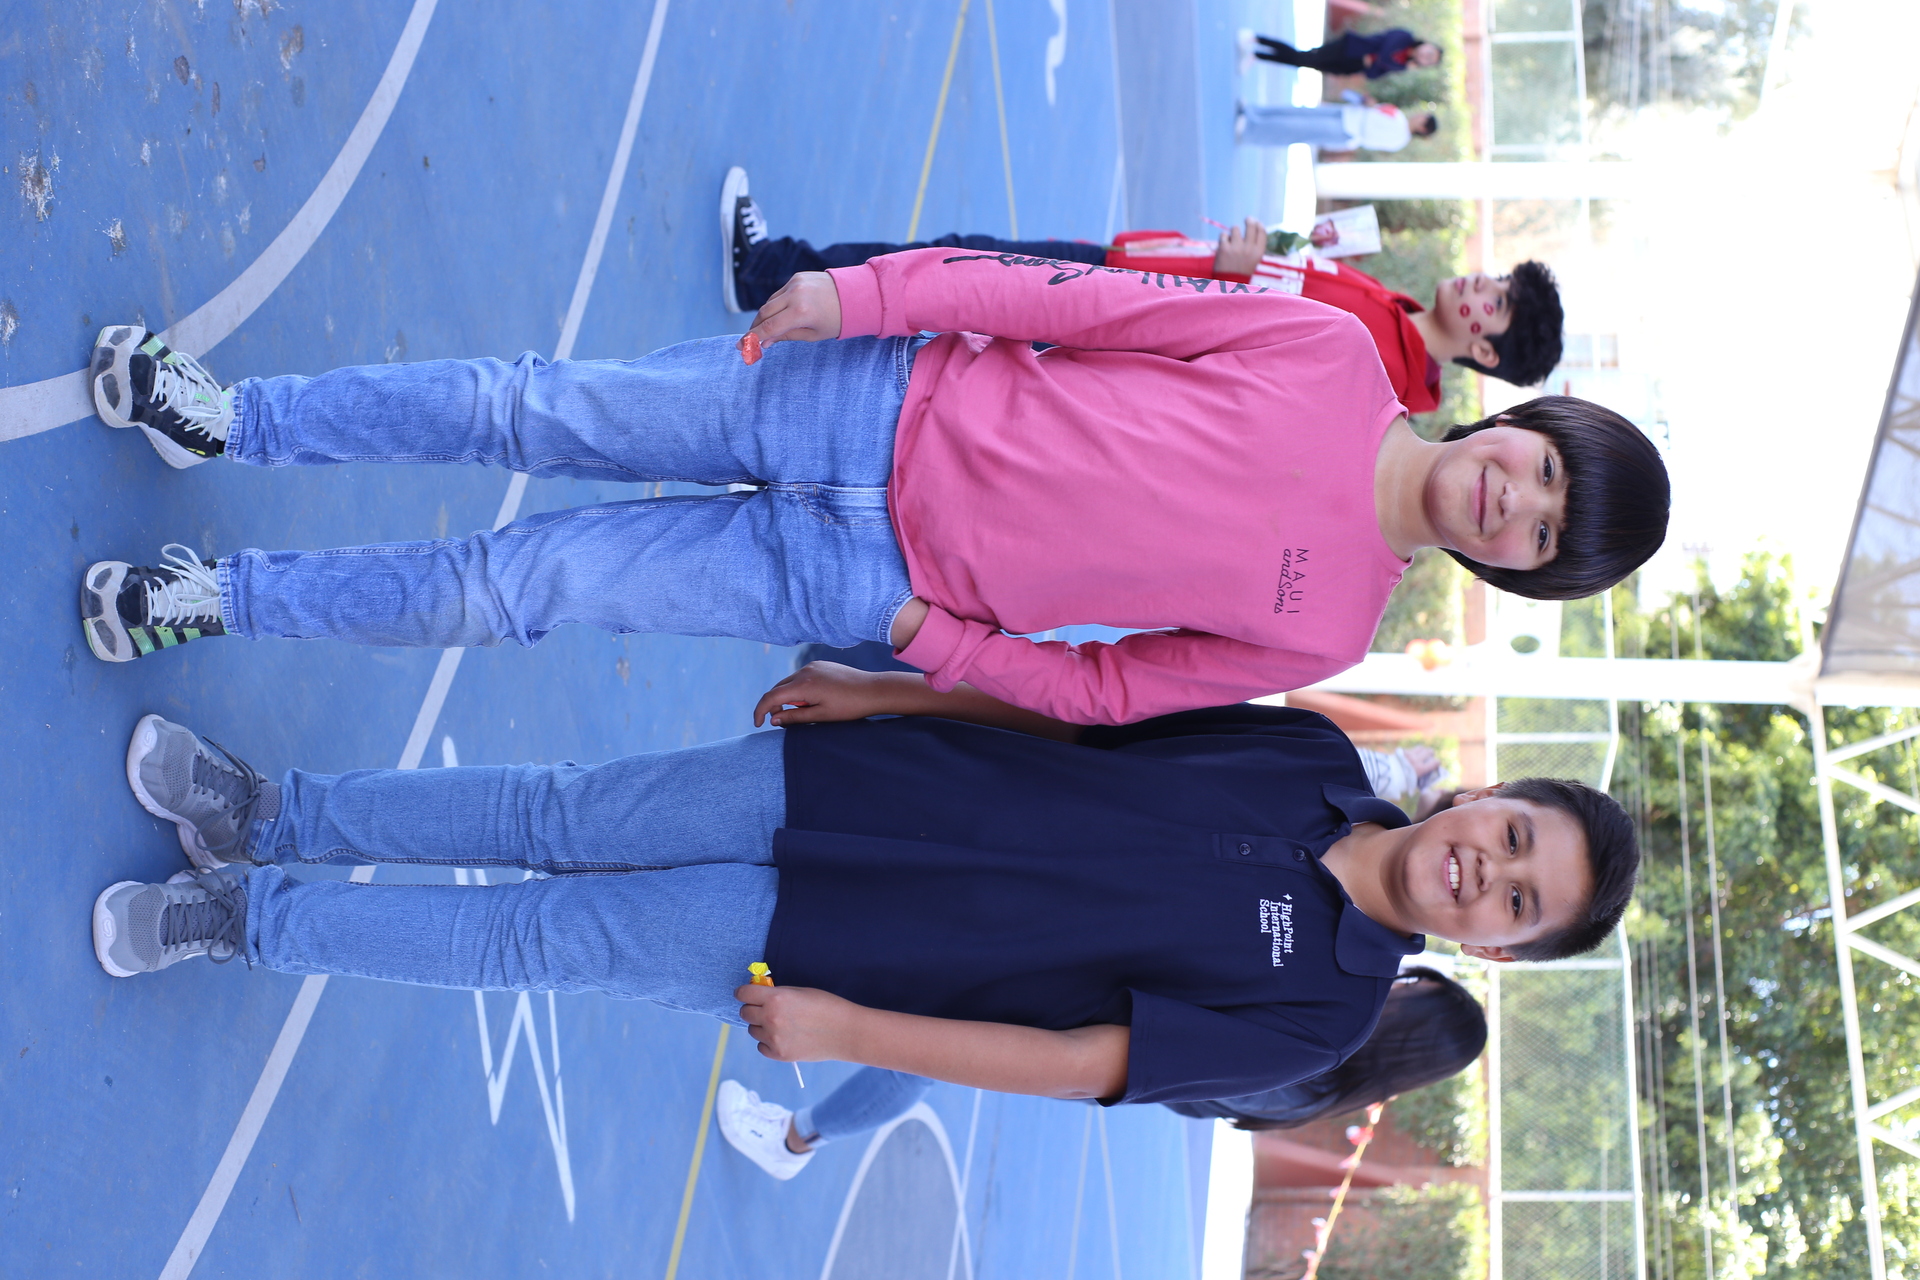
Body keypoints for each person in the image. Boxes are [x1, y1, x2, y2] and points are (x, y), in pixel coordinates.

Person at [82, 244, 1667, 724]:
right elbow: (1071, 304)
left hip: (869, 587)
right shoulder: (1323, 352)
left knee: (523, 589)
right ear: (1524, 423)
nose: (1512, 504)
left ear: (1522, 571)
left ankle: (215, 600)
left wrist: (935, 642)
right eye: (1541, 472)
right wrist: (866, 293)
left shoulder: (1329, 633)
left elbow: (1113, 693)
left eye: (1542, 536)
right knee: (531, 406)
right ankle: (233, 423)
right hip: (868, 391)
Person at [91, 672, 1638, 1108]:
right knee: (556, 811)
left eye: (1517, 905)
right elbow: (1081, 718)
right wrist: (885, 698)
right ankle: (269, 812)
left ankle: (244, 919)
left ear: (1499, 952)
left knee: (540, 933)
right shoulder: (1307, 749)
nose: (1486, 873)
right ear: (1491, 795)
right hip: (856, 787)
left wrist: (847, 1032)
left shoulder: (1319, 1016)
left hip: (839, 949)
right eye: (1516, 840)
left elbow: (1079, 1062)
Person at [719, 174, 1564, 407]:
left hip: (1119, 309)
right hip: (1134, 273)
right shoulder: (1393, 313)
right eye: (1496, 279)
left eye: (1494, 303)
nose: (1478, 284)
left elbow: (1246, 362)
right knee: (947, 269)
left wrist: (1232, 280)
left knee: (942, 276)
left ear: (1486, 351)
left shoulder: (1384, 373)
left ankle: (771, 276)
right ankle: (787, 290)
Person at [716, 964, 1482, 1180]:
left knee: (916, 1048)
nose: (1395, 982)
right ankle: (797, 1136)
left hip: (1088, 1034)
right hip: (1096, 1037)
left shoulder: (1311, 1058)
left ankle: (794, 1138)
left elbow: (1187, 1061)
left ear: (1411, 1020)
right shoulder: (1321, 1078)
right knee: (920, 1049)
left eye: (1409, 989)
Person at [1236, 93, 1438, 154]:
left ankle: (1251, 132)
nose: (1419, 115)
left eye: (1423, 119)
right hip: (1347, 113)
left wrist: (1368, 113)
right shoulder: (1398, 114)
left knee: (1296, 129)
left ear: (1422, 128)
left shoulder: (1400, 139)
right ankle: (1254, 111)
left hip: (1347, 131)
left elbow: (1371, 136)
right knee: (1299, 112)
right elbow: (1375, 109)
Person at [1242, 29, 1442, 80]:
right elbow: (1384, 49)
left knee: (1300, 63)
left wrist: (1375, 62)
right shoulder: (1405, 37)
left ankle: (1257, 56)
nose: (1426, 57)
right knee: (1302, 57)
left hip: (1349, 66)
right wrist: (1377, 61)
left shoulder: (1402, 65)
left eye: (1429, 61)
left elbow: (1372, 75)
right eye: (1430, 53)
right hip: (1348, 48)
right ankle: (1257, 39)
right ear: (1427, 44)